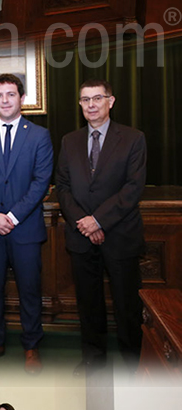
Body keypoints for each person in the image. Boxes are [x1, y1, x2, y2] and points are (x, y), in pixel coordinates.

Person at [55, 80, 147, 370]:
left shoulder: (133, 138)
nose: (91, 105)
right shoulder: (69, 141)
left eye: (97, 98)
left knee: (126, 305)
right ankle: (93, 359)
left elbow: (133, 188)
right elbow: (63, 186)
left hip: (120, 236)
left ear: (111, 101)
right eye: (85, 100)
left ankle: (134, 363)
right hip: (80, 235)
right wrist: (84, 223)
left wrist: (98, 220)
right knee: (88, 303)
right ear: (80, 104)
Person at [0, 73, 54, 371]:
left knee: (29, 288)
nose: (5, 100)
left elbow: (41, 181)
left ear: (22, 99)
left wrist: (13, 216)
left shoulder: (39, 135)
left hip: (25, 228)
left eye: (11, 94)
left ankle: (31, 345)